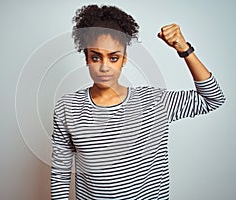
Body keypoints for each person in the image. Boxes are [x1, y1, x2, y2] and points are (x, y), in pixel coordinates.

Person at [51, 4, 225, 200]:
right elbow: (60, 173)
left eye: (114, 57)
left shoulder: (154, 102)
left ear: (124, 59)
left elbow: (213, 98)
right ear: (86, 58)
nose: (105, 67)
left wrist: (184, 49)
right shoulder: (68, 107)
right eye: (96, 57)